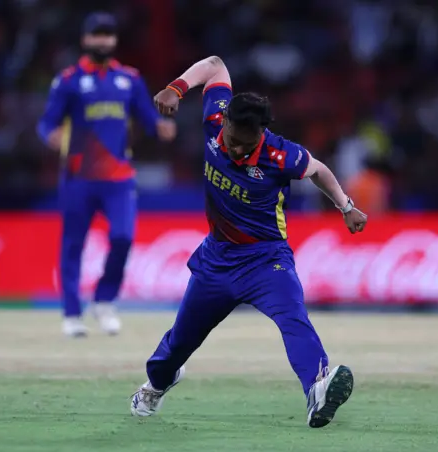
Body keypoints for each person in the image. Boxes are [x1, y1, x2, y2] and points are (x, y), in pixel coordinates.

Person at [130, 56, 367, 428]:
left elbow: (319, 169)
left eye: (247, 144)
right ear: (222, 121)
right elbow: (214, 64)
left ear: (261, 133)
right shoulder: (213, 121)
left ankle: (318, 388)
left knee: (294, 317)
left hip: (265, 259)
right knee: (179, 344)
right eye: (234, 141)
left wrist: (346, 206)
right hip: (217, 260)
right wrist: (176, 88)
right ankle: (157, 383)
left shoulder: (278, 154)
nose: (238, 150)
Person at [37, 12, 176, 337]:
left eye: (108, 35)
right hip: (78, 176)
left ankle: (104, 300)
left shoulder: (129, 79)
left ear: (114, 40)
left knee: (123, 237)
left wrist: (161, 128)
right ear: (85, 40)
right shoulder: (69, 80)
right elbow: (46, 122)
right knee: (73, 245)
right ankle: (72, 314)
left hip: (118, 177)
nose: (103, 41)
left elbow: (147, 119)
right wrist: (50, 136)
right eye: (97, 35)